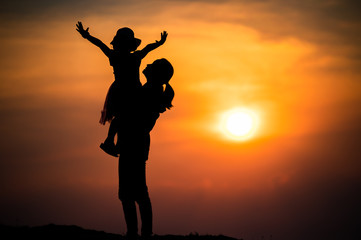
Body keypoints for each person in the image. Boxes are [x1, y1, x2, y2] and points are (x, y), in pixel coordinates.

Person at [76, 21, 168, 157]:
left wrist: (87, 36)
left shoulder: (119, 56)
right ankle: (111, 142)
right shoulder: (132, 57)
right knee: (122, 117)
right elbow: (147, 48)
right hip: (128, 92)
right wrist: (159, 43)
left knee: (123, 118)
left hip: (125, 91)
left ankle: (114, 143)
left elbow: (100, 44)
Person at [118, 59, 174, 239]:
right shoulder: (149, 90)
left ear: (156, 73)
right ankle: (138, 232)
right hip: (136, 141)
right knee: (132, 191)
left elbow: (134, 114)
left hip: (134, 141)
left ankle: (140, 233)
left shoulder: (149, 91)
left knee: (133, 191)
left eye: (152, 65)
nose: (147, 65)